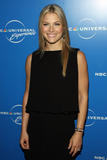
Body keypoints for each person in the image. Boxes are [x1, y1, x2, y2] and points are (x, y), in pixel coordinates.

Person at [20, 4, 89, 160]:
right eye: (46, 24)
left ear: (63, 27)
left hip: (64, 132)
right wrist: (23, 129)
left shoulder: (77, 57)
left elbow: (83, 97)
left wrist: (79, 132)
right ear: (40, 27)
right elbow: (27, 95)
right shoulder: (32, 59)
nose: (51, 29)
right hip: (35, 131)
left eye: (56, 24)